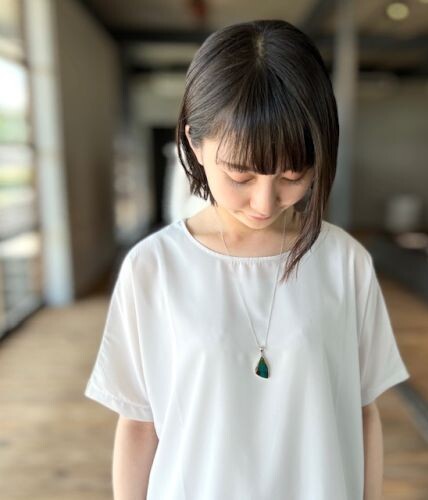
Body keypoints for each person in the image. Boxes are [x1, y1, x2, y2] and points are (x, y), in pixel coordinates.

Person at [84, 19, 410, 500]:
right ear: (194, 143)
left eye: (293, 175)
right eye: (241, 175)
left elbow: (363, 412)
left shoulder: (345, 263)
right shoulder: (153, 267)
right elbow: (138, 422)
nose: (264, 201)